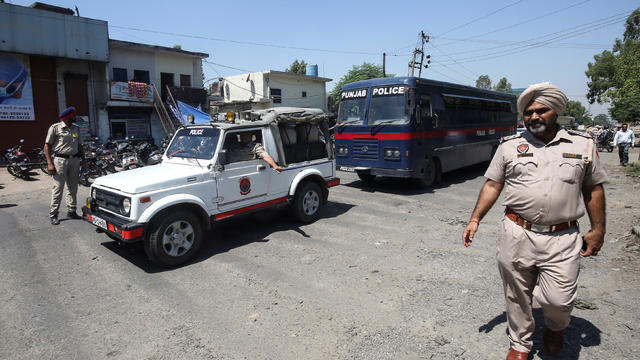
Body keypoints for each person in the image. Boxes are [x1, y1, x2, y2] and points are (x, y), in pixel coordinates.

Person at [461, 83, 608, 360]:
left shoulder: (582, 145)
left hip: (562, 238)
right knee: (516, 292)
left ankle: (555, 327)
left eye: (541, 110)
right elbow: (493, 185)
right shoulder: (510, 146)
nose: (534, 117)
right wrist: (475, 219)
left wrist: (598, 230)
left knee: (558, 300)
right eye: (528, 112)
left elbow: (593, 189)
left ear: (556, 112)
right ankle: (520, 343)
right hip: (516, 232)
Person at [44, 106, 87, 225]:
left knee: (73, 187)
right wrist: (49, 163)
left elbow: (80, 146)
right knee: (58, 188)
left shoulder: (76, 128)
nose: (75, 117)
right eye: (74, 116)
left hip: (74, 160)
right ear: (68, 117)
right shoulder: (55, 128)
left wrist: (84, 160)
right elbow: (47, 146)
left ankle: (71, 211)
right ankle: (54, 214)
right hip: (60, 161)